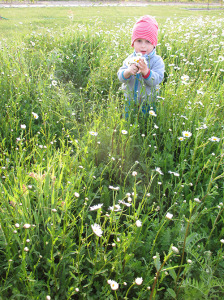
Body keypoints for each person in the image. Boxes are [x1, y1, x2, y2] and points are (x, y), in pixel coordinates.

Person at [117, 15, 165, 115]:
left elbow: (156, 80)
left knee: (146, 125)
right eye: (139, 41)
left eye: (148, 42)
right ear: (133, 43)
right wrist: (128, 72)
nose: (143, 45)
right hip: (129, 102)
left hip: (148, 103)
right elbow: (120, 77)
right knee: (128, 122)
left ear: (154, 44)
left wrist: (146, 72)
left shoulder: (156, 61)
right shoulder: (130, 59)